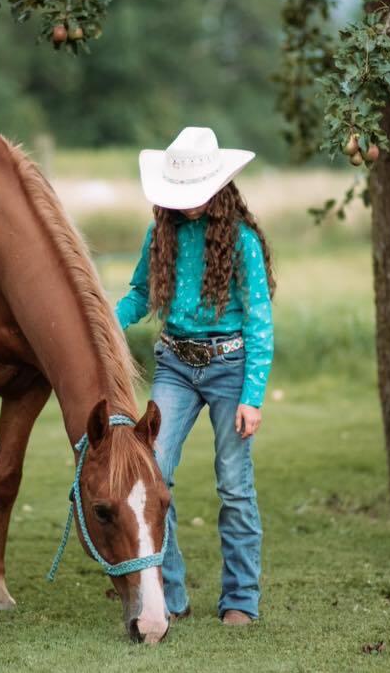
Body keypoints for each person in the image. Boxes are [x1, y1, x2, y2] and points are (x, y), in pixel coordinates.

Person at [114, 126, 275, 626]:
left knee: (234, 484)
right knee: (155, 472)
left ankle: (241, 598)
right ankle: (171, 594)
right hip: (175, 367)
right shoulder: (160, 234)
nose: (187, 203)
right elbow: (141, 294)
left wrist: (252, 396)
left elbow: (260, 321)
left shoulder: (242, 241)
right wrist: (102, 322)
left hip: (231, 368)